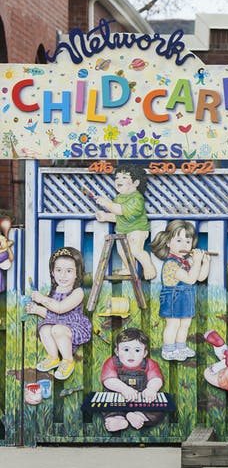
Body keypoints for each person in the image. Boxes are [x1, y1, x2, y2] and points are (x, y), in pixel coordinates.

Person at [28, 247, 92, 381]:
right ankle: (53, 357)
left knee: (57, 329)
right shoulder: (54, 291)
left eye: (69, 271)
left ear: (77, 273)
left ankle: (68, 360)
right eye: (59, 270)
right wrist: (36, 309)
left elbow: (60, 308)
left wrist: (41, 299)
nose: (63, 275)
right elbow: (52, 315)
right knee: (45, 328)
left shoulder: (77, 292)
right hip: (58, 325)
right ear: (52, 272)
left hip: (73, 327)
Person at [150, 220, 210, 361]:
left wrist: (205, 263)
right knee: (174, 324)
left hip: (186, 297)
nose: (184, 245)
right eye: (179, 240)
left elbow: (200, 277)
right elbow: (190, 279)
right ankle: (168, 349)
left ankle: (180, 347)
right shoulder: (171, 263)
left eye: (188, 241)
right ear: (168, 242)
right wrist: (196, 262)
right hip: (173, 297)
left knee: (185, 324)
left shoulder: (187, 261)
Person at [94, 163, 157, 280]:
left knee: (135, 250)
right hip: (123, 230)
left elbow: (121, 210)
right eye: (117, 177)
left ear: (136, 183)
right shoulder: (118, 198)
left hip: (137, 230)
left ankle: (149, 267)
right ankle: (129, 268)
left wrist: (107, 204)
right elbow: (119, 216)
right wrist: (106, 217)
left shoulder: (137, 198)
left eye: (124, 177)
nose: (119, 180)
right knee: (122, 251)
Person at [100, 328, 165, 432]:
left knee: (158, 409)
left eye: (137, 350)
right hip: (118, 400)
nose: (131, 354)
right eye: (126, 350)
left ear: (144, 353)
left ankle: (138, 416)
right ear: (117, 351)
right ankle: (119, 420)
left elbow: (156, 379)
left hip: (142, 402)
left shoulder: (150, 364)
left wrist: (152, 389)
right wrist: (124, 389)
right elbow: (109, 380)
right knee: (108, 405)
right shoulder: (112, 362)